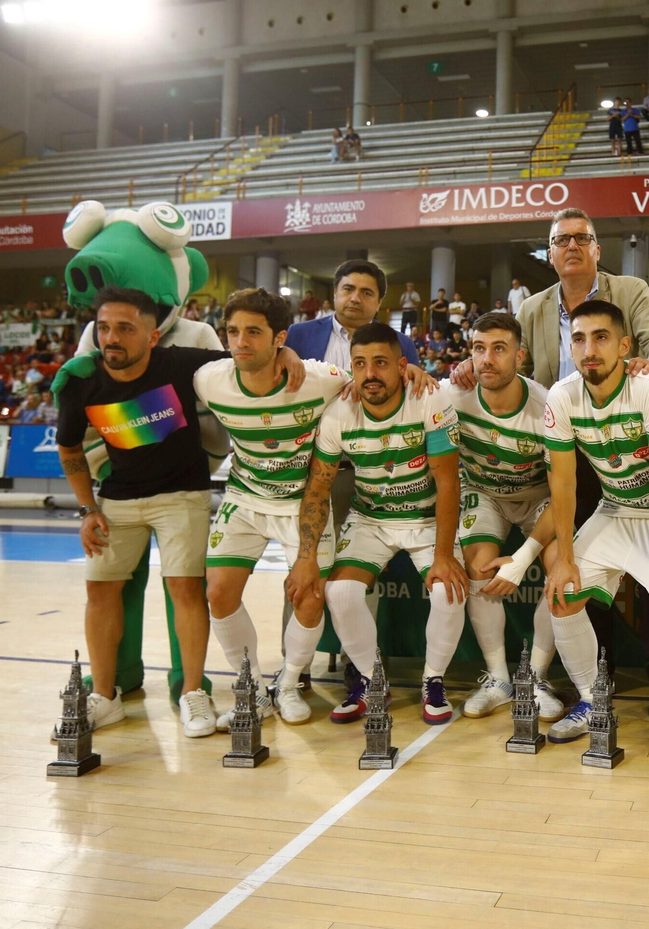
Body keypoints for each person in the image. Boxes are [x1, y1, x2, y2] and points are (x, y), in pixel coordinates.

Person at [460, 207, 649, 716]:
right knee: (579, 563)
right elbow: (509, 355)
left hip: (628, 439)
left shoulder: (629, 290)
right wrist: (473, 367)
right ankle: (598, 675)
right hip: (565, 447)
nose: (572, 246)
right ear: (551, 253)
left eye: (582, 238)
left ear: (597, 249)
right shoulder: (532, 306)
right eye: (562, 240)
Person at [53, 287, 302, 736]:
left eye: (125, 328)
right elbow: (69, 448)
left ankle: (192, 692)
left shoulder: (182, 364)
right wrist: (88, 509)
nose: (112, 338)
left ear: (153, 336)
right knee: (100, 591)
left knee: (186, 589)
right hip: (116, 499)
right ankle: (105, 697)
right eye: (103, 328)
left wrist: (287, 353)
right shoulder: (79, 382)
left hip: (182, 495)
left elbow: (246, 356)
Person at [538, 299, 649, 756]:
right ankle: (591, 700)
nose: (589, 349)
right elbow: (563, 484)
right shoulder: (561, 396)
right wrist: (564, 559)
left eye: (601, 338)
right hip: (614, 511)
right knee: (562, 592)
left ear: (624, 346)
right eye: (579, 339)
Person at [192, 288, 362, 727]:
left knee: (309, 595)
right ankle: (251, 689)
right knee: (218, 592)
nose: (240, 341)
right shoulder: (209, 380)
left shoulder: (320, 378)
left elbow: (369, 380)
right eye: (233, 332)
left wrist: (414, 371)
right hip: (245, 498)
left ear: (279, 338)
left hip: (302, 504)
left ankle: (287, 684)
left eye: (253, 332)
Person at [292, 322, 468, 725]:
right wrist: (306, 556)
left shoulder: (429, 398)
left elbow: (447, 481)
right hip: (370, 518)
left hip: (425, 517)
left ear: (402, 367)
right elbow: (317, 489)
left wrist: (443, 555)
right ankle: (372, 681)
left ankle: (433, 680)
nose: (369, 373)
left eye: (380, 363)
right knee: (339, 592)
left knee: (448, 591)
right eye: (360, 364)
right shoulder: (339, 411)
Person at [436, 312, 564, 722]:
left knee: (561, 570)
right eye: (479, 349)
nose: (487, 359)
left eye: (498, 349)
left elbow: (564, 493)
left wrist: (525, 557)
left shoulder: (548, 406)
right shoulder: (451, 396)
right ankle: (498, 679)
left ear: (519, 356)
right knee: (478, 567)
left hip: (541, 498)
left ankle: (536, 678)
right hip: (485, 493)